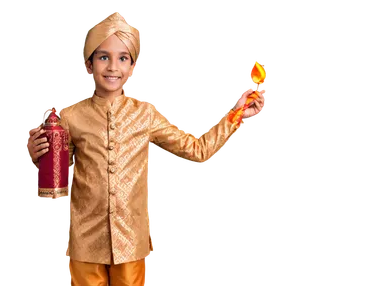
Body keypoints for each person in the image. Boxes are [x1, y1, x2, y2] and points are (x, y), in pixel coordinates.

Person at [26, 9, 267, 286]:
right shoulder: (69, 117)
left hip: (132, 241)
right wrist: (37, 157)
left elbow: (198, 151)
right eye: (103, 57)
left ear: (133, 66)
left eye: (122, 58)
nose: (113, 67)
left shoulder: (146, 114)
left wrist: (235, 116)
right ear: (88, 65)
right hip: (84, 242)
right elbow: (60, 180)